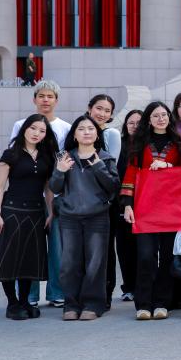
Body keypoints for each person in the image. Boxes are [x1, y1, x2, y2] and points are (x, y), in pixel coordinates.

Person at [120, 101, 181, 321]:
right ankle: (143, 304)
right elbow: (130, 173)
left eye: (164, 115)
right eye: (156, 115)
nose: (161, 119)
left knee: (167, 257)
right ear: (148, 119)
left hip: (171, 208)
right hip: (145, 207)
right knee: (146, 256)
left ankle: (162, 303)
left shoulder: (179, 144)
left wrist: (168, 167)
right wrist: (127, 204)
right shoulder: (138, 144)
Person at [50, 116, 119, 321]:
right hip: (69, 218)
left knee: (95, 263)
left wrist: (99, 167)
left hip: (97, 217)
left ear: (97, 134)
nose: (86, 132)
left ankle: (93, 304)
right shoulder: (65, 158)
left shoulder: (105, 158)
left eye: (91, 129)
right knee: (69, 263)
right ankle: (71, 304)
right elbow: (55, 187)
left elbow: (113, 187)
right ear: (75, 134)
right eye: (81, 129)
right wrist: (60, 171)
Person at [10, 80, 71, 308]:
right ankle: (29, 295)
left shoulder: (65, 128)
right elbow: (14, 157)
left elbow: (65, 159)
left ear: (57, 100)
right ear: (34, 99)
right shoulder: (21, 125)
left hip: (56, 195)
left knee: (58, 247)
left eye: (50, 96)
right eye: (41, 96)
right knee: (28, 246)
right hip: (28, 197)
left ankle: (57, 292)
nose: (46, 100)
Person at [0, 114, 57, 320]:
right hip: (11, 211)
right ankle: (12, 303)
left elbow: (48, 188)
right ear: (25, 129)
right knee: (9, 259)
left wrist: (51, 212)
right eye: (33, 128)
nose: (37, 133)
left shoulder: (47, 156)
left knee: (30, 259)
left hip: (36, 213)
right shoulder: (11, 154)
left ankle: (25, 301)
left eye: (42, 131)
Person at [85, 94, 122, 306]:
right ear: (89, 108)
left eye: (107, 111)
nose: (102, 113)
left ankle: (105, 293)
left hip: (105, 200)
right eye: (99, 108)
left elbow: (110, 166)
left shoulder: (111, 134)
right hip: (80, 199)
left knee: (105, 248)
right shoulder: (79, 129)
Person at [115, 110, 142, 303]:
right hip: (121, 202)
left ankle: (142, 285)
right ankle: (129, 286)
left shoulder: (147, 145)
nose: (134, 126)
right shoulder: (119, 145)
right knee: (124, 248)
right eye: (130, 123)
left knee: (143, 249)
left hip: (144, 202)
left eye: (138, 123)